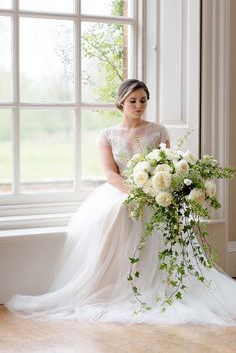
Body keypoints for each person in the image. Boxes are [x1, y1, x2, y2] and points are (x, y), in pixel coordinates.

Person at [5, 79, 236, 325]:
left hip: (155, 191)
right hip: (121, 190)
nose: (139, 106)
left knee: (155, 212)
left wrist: (155, 191)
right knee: (119, 208)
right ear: (121, 103)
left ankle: (158, 282)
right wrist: (135, 193)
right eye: (133, 101)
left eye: (143, 101)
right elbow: (111, 174)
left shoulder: (158, 131)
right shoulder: (108, 135)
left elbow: (167, 167)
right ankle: (116, 284)